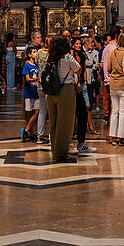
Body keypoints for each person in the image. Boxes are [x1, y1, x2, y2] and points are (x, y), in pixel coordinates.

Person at [44, 34, 79, 163]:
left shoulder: (50, 57)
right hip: (65, 90)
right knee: (65, 123)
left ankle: (55, 150)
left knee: (53, 122)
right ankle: (60, 153)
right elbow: (78, 70)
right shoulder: (67, 57)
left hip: (51, 91)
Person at [108, 31, 124, 144]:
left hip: (113, 84)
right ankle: (122, 137)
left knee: (114, 111)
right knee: (123, 112)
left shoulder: (113, 52)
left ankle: (113, 136)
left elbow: (108, 69)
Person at [71, 36, 91, 155]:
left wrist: (83, 80)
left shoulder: (82, 56)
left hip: (80, 84)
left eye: (80, 44)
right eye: (76, 44)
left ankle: (81, 143)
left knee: (83, 112)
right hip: (71, 86)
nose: (78, 45)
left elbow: (82, 68)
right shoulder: (70, 56)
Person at [100, 28, 118, 136]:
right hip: (113, 79)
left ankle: (110, 132)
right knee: (114, 108)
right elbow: (110, 66)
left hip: (107, 79)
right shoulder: (114, 49)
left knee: (112, 107)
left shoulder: (106, 48)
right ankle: (112, 133)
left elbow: (102, 65)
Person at [21, 46, 40, 141]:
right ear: (29, 54)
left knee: (37, 112)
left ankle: (26, 129)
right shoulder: (27, 65)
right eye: (34, 52)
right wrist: (37, 79)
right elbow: (27, 79)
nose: (36, 53)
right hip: (29, 91)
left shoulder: (38, 65)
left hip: (37, 92)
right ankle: (31, 133)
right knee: (28, 113)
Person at [36, 35, 51, 144]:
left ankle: (39, 136)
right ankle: (51, 136)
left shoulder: (39, 52)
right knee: (51, 112)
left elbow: (37, 62)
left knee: (42, 111)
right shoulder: (51, 54)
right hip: (50, 84)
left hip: (40, 84)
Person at [83, 35, 100, 132]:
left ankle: (90, 125)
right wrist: (91, 63)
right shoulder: (83, 53)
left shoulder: (93, 53)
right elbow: (87, 63)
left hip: (91, 78)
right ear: (86, 43)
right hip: (84, 79)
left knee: (90, 100)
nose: (92, 44)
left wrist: (92, 64)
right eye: (90, 42)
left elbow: (96, 64)